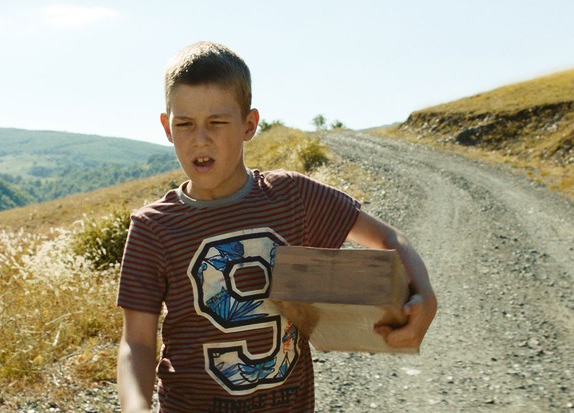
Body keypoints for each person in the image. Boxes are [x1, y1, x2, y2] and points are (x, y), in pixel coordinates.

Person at [116, 41, 437, 413]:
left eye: (217, 123)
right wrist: (135, 407)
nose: (200, 139)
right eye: (184, 124)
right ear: (166, 128)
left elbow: (388, 239)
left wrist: (424, 295)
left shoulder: (291, 197)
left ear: (249, 124)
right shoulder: (153, 227)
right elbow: (136, 342)